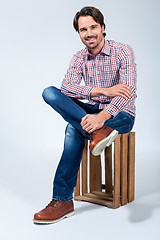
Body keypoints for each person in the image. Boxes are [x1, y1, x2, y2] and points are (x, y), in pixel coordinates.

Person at [33, 6, 137, 224]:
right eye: (83, 30)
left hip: (121, 116)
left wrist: (103, 116)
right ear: (78, 33)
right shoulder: (79, 57)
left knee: (73, 128)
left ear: (102, 27)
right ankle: (98, 133)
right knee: (50, 92)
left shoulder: (123, 51)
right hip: (90, 112)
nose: (89, 33)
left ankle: (62, 200)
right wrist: (101, 91)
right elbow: (67, 87)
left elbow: (128, 92)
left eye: (93, 27)